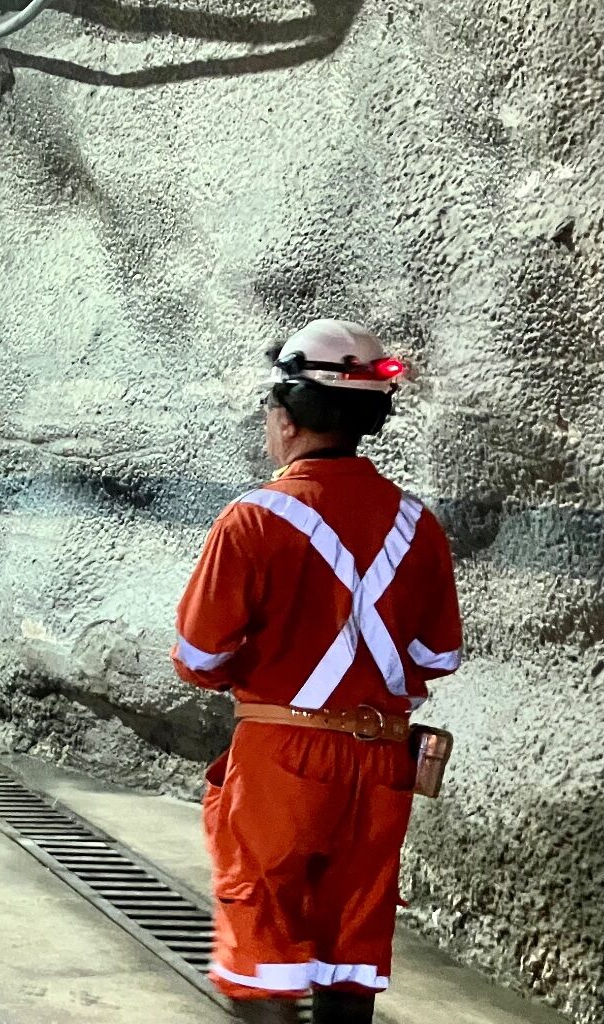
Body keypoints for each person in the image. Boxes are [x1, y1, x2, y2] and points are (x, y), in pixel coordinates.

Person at [172, 321, 463, 1024]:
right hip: (381, 765)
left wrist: (275, 665)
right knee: (349, 959)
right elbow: (436, 658)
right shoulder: (417, 525)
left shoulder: (252, 520)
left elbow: (197, 658)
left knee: (263, 952)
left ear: (288, 417)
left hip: (282, 761)